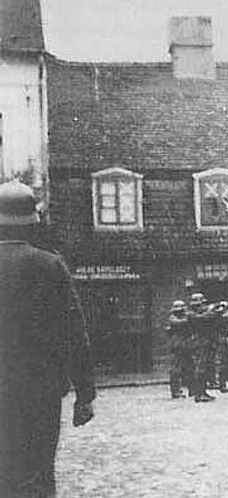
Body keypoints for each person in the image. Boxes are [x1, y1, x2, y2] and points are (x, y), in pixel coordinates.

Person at [0, 180, 96, 497]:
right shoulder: (50, 265)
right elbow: (74, 332)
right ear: (33, 222)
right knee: (37, 474)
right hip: (38, 392)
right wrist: (85, 394)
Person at [186, 292, 223, 402]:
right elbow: (204, 318)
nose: (203, 306)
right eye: (201, 304)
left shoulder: (198, 312)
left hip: (204, 343)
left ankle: (202, 391)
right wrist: (215, 311)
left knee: (205, 367)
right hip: (199, 343)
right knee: (200, 368)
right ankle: (199, 393)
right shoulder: (191, 314)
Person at [167, 300, 193, 399]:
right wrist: (189, 318)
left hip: (186, 344)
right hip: (178, 345)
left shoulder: (185, 316)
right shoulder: (173, 318)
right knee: (176, 368)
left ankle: (192, 389)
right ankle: (175, 391)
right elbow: (179, 323)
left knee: (190, 367)